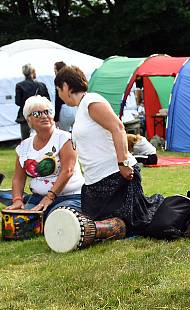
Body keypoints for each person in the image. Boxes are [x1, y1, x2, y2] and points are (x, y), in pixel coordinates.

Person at [54, 66, 163, 234]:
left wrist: (123, 162)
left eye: (58, 89)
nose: (59, 95)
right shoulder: (81, 108)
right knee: (94, 226)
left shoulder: (91, 101)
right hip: (94, 182)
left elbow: (118, 128)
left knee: (134, 223)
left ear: (66, 86)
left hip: (115, 176)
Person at [6, 95, 83, 219]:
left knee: (56, 218)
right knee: (20, 223)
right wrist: (17, 200)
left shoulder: (65, 138)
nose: (44, 115)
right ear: (28, 120)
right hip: (38, 198)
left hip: (70, 196)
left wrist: (49, 197)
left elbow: (67, 171)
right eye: (37, 113)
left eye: (48, 111)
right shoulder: (24, 146)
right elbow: (18, 178)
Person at [15, 64, 50, 140]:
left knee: (25, 140)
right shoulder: (41, 85)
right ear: (33, 72)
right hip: (41, 115)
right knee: (42, 139)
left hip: (25, 116)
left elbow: (18, 102)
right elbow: (48, 101)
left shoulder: (19, 85)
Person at [53, 61, 76, 132]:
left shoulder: (58, 81)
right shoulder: (72, 79)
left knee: (64, 134)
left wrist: (56, 118)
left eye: (55, 69)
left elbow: (58, 101)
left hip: (64, 109)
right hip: (74, 108)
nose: (54, 71)